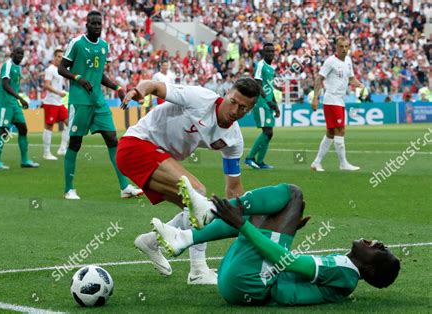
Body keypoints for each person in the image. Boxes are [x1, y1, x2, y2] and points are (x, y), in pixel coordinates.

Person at [151, 182, 401, 306]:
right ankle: (184, 237)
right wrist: (282, 227)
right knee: (268, 209)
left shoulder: (345, 272)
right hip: (241, 283)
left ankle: (210, 212)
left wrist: (243, 226)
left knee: (293, 195)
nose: (379, 244)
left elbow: (287, 262)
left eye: (382, 251)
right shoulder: (345, 272)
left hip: (251, 284)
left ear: (369, 270)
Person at [118, 78, 261, 284]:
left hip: (156, 156)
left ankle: (151, 242)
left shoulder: (233, 139)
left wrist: (244, 219)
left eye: (243, 108)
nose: (234, 110)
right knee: (197, 194)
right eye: (233, 101)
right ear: (227, 92)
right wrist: (138, 91)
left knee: (195, 209)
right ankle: (198, 271)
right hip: (136, 145)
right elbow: (155, 85)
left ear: (250, 110)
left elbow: (234, 187)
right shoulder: (201, 98)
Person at [57, 10, 143, 200]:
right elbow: (61, 68)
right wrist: (78, 78)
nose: (97, 26)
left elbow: (99, 74)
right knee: (76, 143)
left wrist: (118, 88)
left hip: (98, 101)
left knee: (113, 139)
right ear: (86, 25)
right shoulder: (77, 43)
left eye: (99, 24)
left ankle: (124, 187)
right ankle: (69, 188)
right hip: (80, 101)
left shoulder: (104, 46)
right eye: (93, 23)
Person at [310, 36, 365, 171]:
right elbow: (319, 79)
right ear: (336, 47)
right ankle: (343, 163)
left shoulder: (348, 61)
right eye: (341, 46)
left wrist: (360, 85)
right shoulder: (330, 62)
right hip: (331, 100)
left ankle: (316, 163)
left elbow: (351, 78)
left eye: (346, 46)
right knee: (340, 130)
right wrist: (316, 97)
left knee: (330, 132)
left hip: (340, 100)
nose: (344, 49)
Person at [0, 47, 39, 170]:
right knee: (3, 132)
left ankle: (24, 160)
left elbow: (14, 85)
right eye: (17, 53)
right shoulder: (7, 65)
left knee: (23, 129)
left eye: (21, 54)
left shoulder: (18, 68)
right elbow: (5, 85)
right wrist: (20, 98)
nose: (19, 55)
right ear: (12, 54)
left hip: (14, 104)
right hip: (5, 103)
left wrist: (18, 99)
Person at [245, 43, 280, 169]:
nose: (270, 53)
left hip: (268, 103)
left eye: (272, 51)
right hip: (260, 102)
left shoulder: (271, 68)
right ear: (263, 53)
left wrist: (275, 104)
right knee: (267, 131)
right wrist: (267, 100)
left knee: (269, 133)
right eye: (267, 51)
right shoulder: (260, 65)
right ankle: (250, 158)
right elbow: (258, 84)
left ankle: (260, 162)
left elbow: (270, 88)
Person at [42, 49, 70, 160]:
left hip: (58, 102)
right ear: (54, 57)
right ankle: (46, 153)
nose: (60, 59)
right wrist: (59, 92)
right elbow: (46, 85)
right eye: (58, 56)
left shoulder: (59, 70)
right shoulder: (50, 70)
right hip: (51, 102)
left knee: (70, 123)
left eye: (61, 57)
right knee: (49, 126)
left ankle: (62, 148)